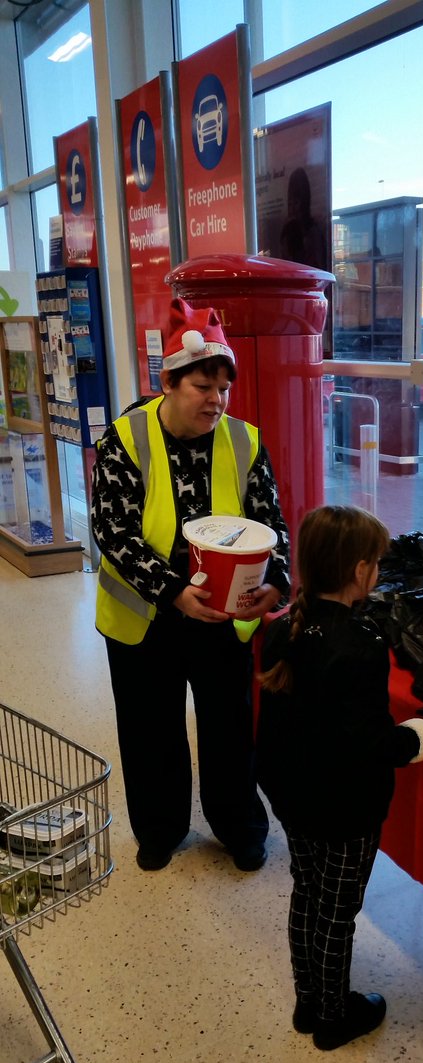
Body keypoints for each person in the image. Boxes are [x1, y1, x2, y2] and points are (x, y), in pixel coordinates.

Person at [91, 298, 290, 873]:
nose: (216, 400)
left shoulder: (244, 441)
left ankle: (239, 826)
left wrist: (275, 581)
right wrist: (174, 589)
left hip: (224, 615)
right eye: (203, 386)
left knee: (230, 730)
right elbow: (113, 530)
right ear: (169, 383)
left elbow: (271, 520)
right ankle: (159, 830)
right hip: (145, 617)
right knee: (150, 731)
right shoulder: (125, 440)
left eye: (223, 388)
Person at [256, 505, 423, 1050]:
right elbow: (371, 742)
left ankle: (307, 1000)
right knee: (338, 915)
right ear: (361, 571)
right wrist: (422, 738)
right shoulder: (359, 647)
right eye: (378, 563)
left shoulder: (283, 629)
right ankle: (334, 1017)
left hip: (292, 794)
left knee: (307, 892)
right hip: (344, 806)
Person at [279, 167, 328, 270]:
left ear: (305, 202)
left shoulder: (314, 233)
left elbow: (319, 266)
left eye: (296, 202)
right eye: (290, 203)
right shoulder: (288, 230)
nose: (293, 209)